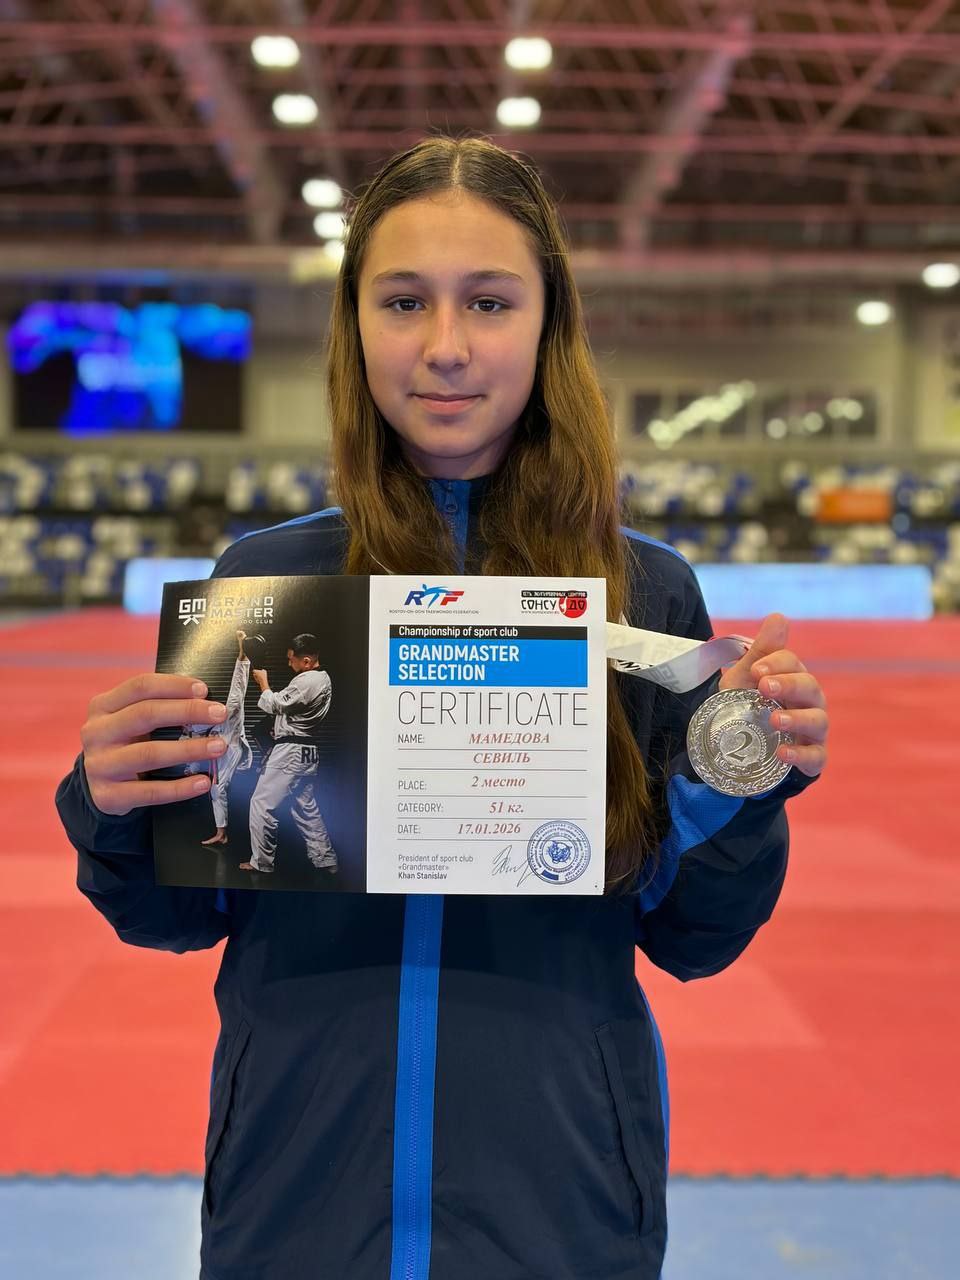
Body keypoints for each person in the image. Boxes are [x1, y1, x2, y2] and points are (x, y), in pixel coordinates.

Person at [56, 135, 829, 1280]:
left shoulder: (644, 593)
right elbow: (176, 914)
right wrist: (115, 798)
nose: (447, 345)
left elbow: (694, 935)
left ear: (548, 322)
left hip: (563, 1195)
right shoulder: (267, 580)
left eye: (490, 301)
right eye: (405, 299)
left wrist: (741, 778)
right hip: (295, 1189)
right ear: (354, 322)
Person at [239, 633, 337, 876]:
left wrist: (263, 683)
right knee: (305, 807)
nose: (288, 662)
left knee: (261, 804)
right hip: (307, 752)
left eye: (291, 659)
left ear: (306, 661)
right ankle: (326, 859)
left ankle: (261, 862)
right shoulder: (323, 679)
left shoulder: (308, 680)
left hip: (291, 751)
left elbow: (275, 704)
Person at [180, 628, 253, 846]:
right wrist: (190, 767)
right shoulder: (200, 724)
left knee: (217, 790)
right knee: (214, 790)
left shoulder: (229, 714)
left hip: (230, 749)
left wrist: (242, 649)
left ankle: (222, 834)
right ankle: (222, 833)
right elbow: (191, 739)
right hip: (219, 753)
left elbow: (238, 687)